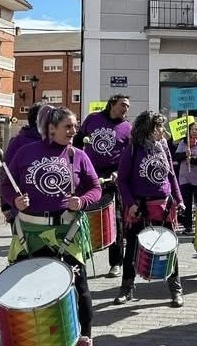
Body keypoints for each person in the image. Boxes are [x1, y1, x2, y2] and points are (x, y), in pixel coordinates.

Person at [3, 105, 100, 346]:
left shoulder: (78, 155)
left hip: (67, 233)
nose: (73, 131)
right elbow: (6, 185)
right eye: (68, 126)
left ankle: (84, 337)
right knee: (29, 288)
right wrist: (15, 200)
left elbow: (95, 188)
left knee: (79, 288)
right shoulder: (25, 153)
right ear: (51, 128)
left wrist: (82, 201)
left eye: (75, 126)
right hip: (30, 234)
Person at [114, 111, 185, 306]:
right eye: (159, 127)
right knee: (132, 249)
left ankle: (176, 290)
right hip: (139, 208)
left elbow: (171, 175)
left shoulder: (163, 146)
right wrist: (130, 204)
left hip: (163, 206)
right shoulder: (132, 149)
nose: (163, 130)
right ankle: (126, 289)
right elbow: (122, 180)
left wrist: (179, 199)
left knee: (169, 248)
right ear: (148, 128)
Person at [75, 94, 131, 277]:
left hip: (112, 177)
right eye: (123, 105)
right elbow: (77, 142)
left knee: (115, 218)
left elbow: (129, 155)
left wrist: (120, 172)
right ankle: (81, 257)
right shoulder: (92, 119)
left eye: (128, 106)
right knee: (84, 215)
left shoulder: (127, 127)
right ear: (112, 104)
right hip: (89, 175)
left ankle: (116, 263)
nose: (126, 109)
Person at [0, 102, 44, 227]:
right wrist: (8, 206)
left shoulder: (54, 142)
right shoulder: (19, 143)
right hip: (22, 212)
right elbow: (7, 176)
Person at [174, 121, 197, 234]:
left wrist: (192, 159)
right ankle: (188, 226)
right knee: (186, 203)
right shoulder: (183, 143)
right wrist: (185, 154)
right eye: (192, 129)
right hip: (185, 177)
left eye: (196, 129)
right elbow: (176, 156)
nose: (194, 131)